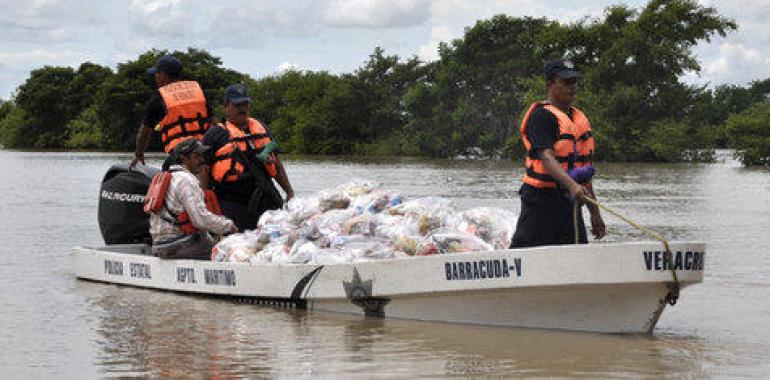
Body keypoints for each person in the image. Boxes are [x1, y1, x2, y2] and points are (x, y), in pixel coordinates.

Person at [510, 59, 606, 248]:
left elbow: (584, 173)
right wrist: (572, 186)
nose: (572, 87)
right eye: (566, 82)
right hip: (540, 201)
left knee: (576, 254)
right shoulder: (541, 117)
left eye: (574, 82)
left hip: (570, 202)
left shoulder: (578, 118)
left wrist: (595, 213)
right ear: (550, 84)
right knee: (525, 254)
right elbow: (546, 157)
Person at [203, 83, 295, 231]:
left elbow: (276, 163)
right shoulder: (215, 134)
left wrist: (289, 192)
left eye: (245, 104)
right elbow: (204, 168)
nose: (242, 108)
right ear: (226, 105)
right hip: (232, 201)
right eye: (237, 104)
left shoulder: (261, 128)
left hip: (265, 196)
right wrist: (205, 199)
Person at [148, 139, 237, 259]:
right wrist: (228, 226)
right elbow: (200, 219)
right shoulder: (186, 180)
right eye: (196, 156)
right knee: (229, 251)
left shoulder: (171, 176)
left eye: (201, 156)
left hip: (160, 244)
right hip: (179, 243)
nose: (202, 160)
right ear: (183, 158)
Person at [130, 55, 213, 171]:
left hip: (180, 155)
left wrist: (138, 153)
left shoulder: (159, 97)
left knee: (165, 181)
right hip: (204, 151)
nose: (155, 76)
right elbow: (211, 122)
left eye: (157, 73)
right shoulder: (197, 90)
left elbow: (143, 133)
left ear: (164, 75)